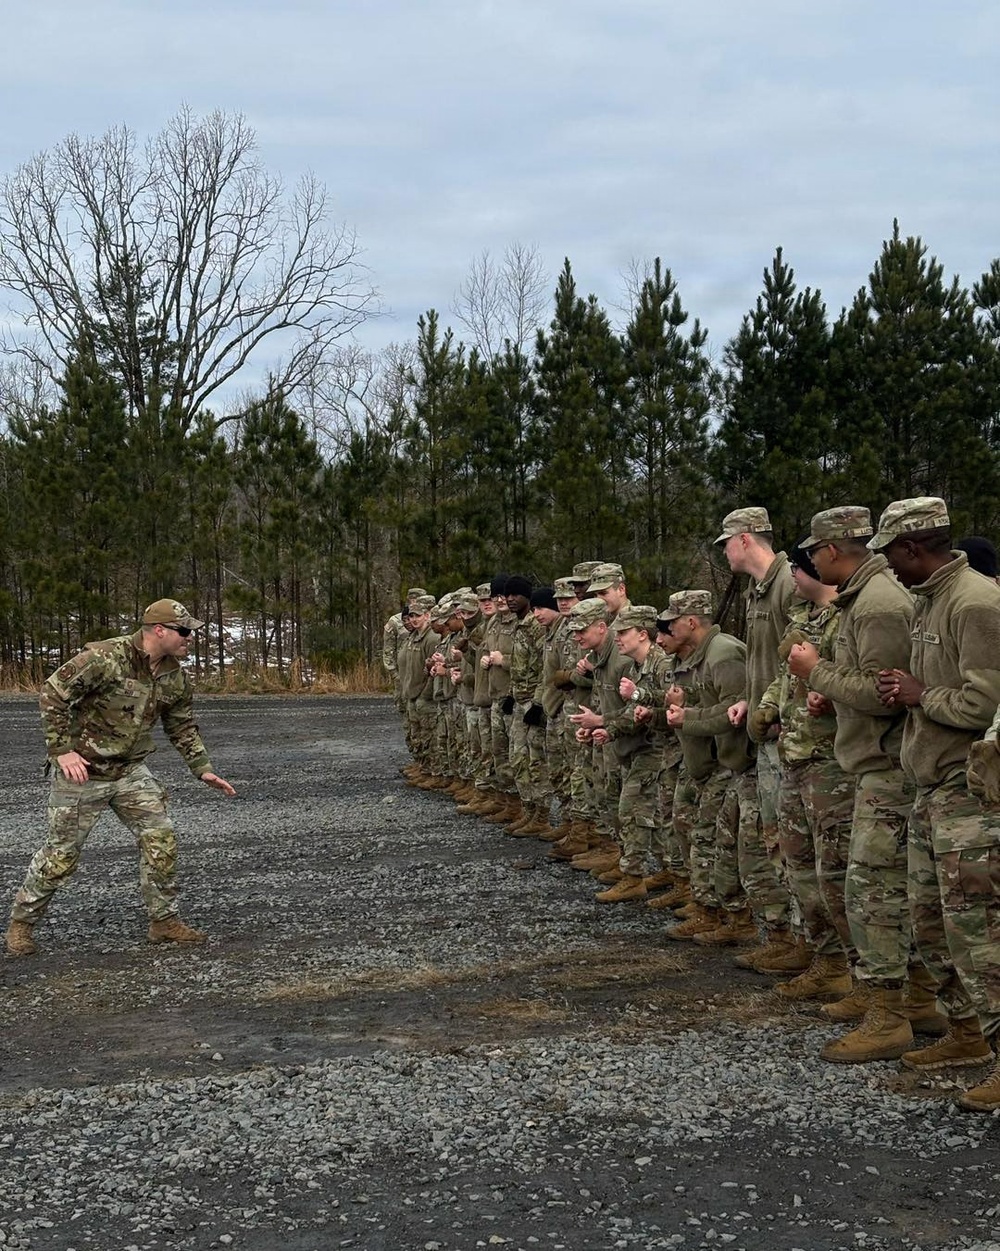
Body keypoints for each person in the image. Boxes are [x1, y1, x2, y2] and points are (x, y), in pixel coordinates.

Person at [5, 599, 236, 956]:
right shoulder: (104, 658)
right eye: (184, 631)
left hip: (130, 770)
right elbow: (53, 694)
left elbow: (181, 725)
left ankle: (163, 922)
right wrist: (61, 750)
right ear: (159, 630)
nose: (189, 638)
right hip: (83, 772)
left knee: (161, 839)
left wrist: (202, 768)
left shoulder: (174, 675)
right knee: (60, 856)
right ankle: (21, 925)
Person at [872, 498, 1000, 1111]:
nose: (888, 567)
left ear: (914, 547)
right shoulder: (929, 598)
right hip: (930, 789)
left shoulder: (974, 602)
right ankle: (967, 1032)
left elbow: (982, 707)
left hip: (969, 794)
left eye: (891, 553)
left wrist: (922, 695)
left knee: (979, 932)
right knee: (930, 924)